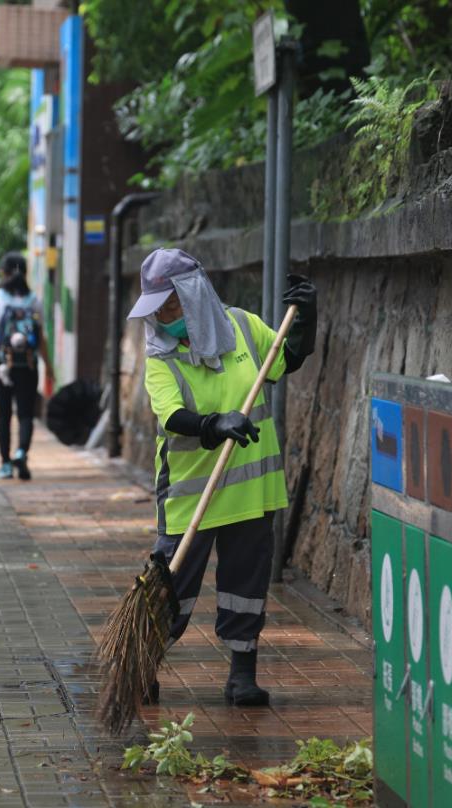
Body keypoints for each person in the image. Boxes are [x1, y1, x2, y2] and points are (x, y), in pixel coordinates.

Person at [129, 247, 317, 707]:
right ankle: (141, 662)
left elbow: (285, 359)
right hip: (191, 494)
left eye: (171, 306)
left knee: (246, 582)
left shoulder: (243, 327)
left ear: (193, 295)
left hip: (253, 490)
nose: (164, 319)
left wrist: (306, 321)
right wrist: (214, 424)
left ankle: (242, 674)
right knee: (172, 583)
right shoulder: (160, 356)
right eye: (156, 311)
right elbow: (172, 415)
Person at [0, 253, 53, 481]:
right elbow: (41, 338)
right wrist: (49, 367)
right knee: (26, 414)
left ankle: (5, 465)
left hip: (1, 362)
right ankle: (21, 453)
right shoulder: (34, 300)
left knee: (4, 415)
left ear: (3, 272)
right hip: (28, 364)